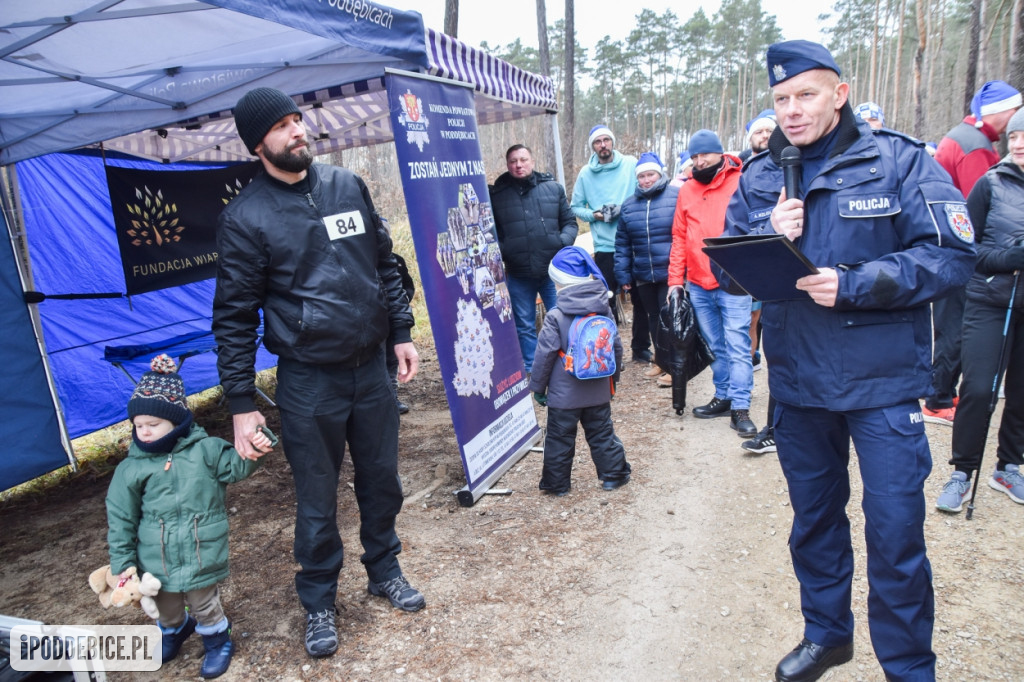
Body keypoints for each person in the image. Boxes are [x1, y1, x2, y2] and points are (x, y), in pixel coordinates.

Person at [725, 40, 975, 681]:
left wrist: (856, 282)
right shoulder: (759, 176)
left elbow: (950, 255)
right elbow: (728, 276)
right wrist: (765, 238)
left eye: (805, 94)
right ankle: (827, 634)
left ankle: (909, 667)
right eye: (781, 99)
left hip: (882, 384)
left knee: (895, 533)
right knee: (814, 523)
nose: (791, 111)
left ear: (839, 93)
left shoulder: (898, 161)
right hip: (798, 384)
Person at [212, 87, 424, 660]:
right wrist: (239, 400)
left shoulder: (344, 186)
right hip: (309, 380)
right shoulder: (246, 219)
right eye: (282, 126)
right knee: (316, 498)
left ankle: (384, 568)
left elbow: (384, 262)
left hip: (372, 369)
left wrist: (400, 332)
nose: (297, 130)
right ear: (259, 145)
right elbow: (233, 318)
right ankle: (320, 601)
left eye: (298, 119)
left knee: (382, 480)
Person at [105, 355, 268, 679]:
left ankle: (217, 640)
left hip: (200, 550)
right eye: (139, 426)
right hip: (155, 558)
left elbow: (235, 468)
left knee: (204, 602)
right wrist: (122, 562)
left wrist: (256, 446)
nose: (145, 432)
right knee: (165, 605)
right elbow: (121, 517)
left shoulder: (205, 450)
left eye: (154, 425)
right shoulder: (131, 469)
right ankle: (173, 631)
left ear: (177, 422)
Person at [936, 108, 1024, 512]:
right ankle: (962, 472)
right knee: (977, 387)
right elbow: (967, 251)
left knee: (1021, 392)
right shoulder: (991, 184)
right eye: (1014, 136)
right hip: (990, 302)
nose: (1019, 144)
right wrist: (1013, 257)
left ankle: (1008, 466)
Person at [926, 80, 1022, 426]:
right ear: (999, 113)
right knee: (957, 326)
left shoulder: (963, 136)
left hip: (945, 247)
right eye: (1014, 115)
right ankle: (938, 398)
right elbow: (983, 208)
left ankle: (940, 392)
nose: (1015, 123)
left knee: (952, 323)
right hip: (958, 252)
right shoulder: (977, 148)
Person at [667, 129, 758, 439]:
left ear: (719, 153)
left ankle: (741, 408)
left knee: (737, 344)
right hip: (698, 283)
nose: (699, 160)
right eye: (694, 156)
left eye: (704, 154)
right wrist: (675, 281)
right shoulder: (686, 190)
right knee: (714, 345)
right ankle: (724, 395)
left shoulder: (740, 180)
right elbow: (679, 237)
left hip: (734, 280)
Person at [530, 246, 631, 495]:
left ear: (562, 284)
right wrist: (613, 381)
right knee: (602, 433)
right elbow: (615, 348)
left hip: (564, 396)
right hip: (597, 389)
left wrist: (538, 388)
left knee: (559, 439)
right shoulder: (603, 309)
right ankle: (614, 475)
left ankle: (556, 485)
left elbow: (544, 356)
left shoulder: (555, 316)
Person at [489, 144, 578, 372]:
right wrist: (505, 249)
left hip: (552, 272)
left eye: (523, 159)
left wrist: (561, 243)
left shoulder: (553, 188)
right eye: (513, 161)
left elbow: (569, 223)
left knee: (563, 319)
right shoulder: (496, 195)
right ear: (507, 164)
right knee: (525, 325)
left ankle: (569, 360)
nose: (519, 165)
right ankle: (533, 368)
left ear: (532, 161)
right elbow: (490, 231)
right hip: (518, 273)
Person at [569, 124, 642, 356]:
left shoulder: (630, 164)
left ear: (612, 142)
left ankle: (641, 347)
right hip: (604, 245)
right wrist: (595, 215)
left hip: (634, 240)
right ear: (593, 147)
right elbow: (575, 207)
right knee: (605, 299)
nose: (603, 145)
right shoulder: (585, 174)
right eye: (598, 142)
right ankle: (608, 348)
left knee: (641, 299)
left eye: (606, 140)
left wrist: (627, 209)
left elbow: (647, 189)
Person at [614, 152, 678, 387]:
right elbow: (622, 243)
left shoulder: (676, 196)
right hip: (643, 273)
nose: (646, 180)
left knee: (669, 318)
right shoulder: (630, 205)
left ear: (659, 174)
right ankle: (660, 360)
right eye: (641, 176)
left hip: (670, 272)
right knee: (653, 318)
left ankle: (675, 366)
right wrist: (624, 275)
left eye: (650, 174)